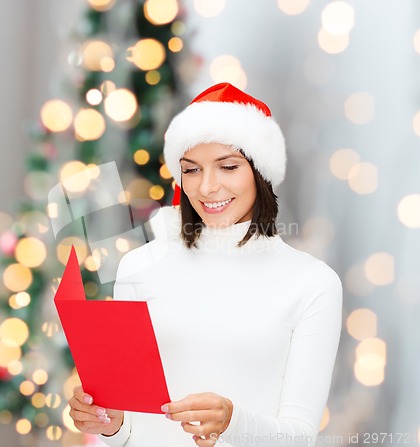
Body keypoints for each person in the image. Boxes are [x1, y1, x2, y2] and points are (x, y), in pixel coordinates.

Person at [68, 82, 343, 447]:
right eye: (192, 170)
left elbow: (299, 438)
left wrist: (234, 421)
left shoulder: (312, 283)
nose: (207, 187)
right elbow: (131, 430)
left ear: (260, 172)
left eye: (228, 167)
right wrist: (112, 424)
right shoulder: (140, 267)